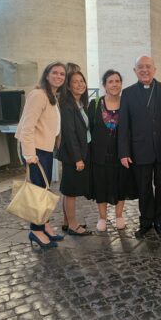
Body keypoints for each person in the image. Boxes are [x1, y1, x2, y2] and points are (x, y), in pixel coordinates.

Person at [118, 55, 161, 237]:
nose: (145, 70)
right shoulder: (127, 94)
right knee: (143, 188)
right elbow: (124, 125)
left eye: (148, 66)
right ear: (135, 71)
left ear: (154, 69)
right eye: (140, 67)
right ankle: (145, 221)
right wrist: (124, 152)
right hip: (139, 150)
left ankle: (159, 221)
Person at [15, 62, 67, 248]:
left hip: (44, 149)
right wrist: (29, 155)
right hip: (35, 150)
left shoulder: (50, 95)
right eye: (55, 72)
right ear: (47, 75)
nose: (59, 76)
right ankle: (35, 231)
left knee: (43, 189)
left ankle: (44, 224)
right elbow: (27, 126)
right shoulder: (38, 95)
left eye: (62, 74)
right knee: (37, 191)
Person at [88, 69, 138, 232]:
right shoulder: (95, 104)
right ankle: (102, 218)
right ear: (104, 85)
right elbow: (89, 129)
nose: (114, 84)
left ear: (121, 84)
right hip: (100, 154)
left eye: (117, 81)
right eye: (110, 81)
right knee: (101, 185)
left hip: (121, 153)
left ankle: (119, 216)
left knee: (120, 184)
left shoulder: (127, 103)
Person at [56, 71, 93, 236]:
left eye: (82, 81)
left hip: (77, 153)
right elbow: (69, 134)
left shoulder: (80, 104)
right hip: (72, 155)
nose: (80, 84)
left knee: (68, 189)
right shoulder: (67, 105)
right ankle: (72, 224)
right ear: (68, 86)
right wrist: (78, 158)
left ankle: (66, 221)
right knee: (71, 191)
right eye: (75, 82)